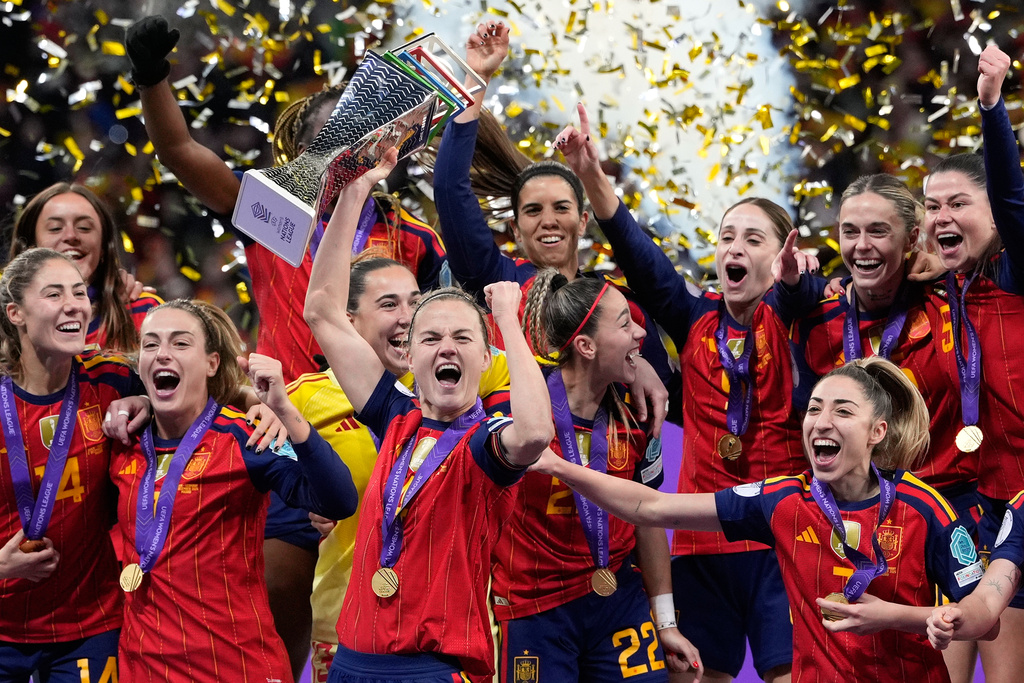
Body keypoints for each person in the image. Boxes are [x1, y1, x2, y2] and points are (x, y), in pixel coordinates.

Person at [123, 16, 448, 672]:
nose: (352, 144)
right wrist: (152, 75)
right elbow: (183, 152)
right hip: (289, 437)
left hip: (390, 443)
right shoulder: (278, 214)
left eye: (364, 129)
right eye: (336, 133)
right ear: (306, 150)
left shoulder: (418, 237)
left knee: (390, 621)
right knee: (276, 620)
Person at [532, 356, 983, 683]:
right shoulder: (782, 500)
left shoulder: (926, 509)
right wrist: (559, 467)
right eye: (814, 409)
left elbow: (985, 620)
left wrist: (897, 616)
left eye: (843, 411)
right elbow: (650, 507)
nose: (822, 422)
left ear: (876, 432)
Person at [555, 103, 807, 682]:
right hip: (700, 544)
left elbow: (809, 297)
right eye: (726, 237)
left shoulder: (797, 314)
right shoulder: (694, 317)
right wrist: (590, 171)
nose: (734, 249)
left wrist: (803, 280)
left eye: (753, 238)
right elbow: (638, 257)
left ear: (782, 253)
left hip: (783, 539)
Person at [305, 147, 554, 682]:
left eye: (463, 338)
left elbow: (535, 431)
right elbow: (322, 310)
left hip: (434, 668)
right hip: (351, 663)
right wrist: (353, 191)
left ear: (486, 359)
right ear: (410, 357)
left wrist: (508, 320)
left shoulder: (486, 445)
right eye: (431, 338)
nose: (446, 348)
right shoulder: (391, 416)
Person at [431, 22, 677, 425]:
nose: (549, 221)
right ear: (515, 230)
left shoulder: (620, 308)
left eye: (561, 208)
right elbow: (450, 189)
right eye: (532, 211)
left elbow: (657, 414)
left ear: (583, 221)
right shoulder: (497, 283)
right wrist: (477, 77)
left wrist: (639, 364)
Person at [285, 253, 513, 682]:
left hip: (440, 634)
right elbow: (246, 438)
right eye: (389, 305)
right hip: (343, 625)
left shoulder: (453, 383)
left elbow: (537, 386)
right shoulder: (306, 397)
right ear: (350, 320)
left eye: (414, 302)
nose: (408, 317)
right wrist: (310, 495)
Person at [108, 299, 359, 682]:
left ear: (211, 363)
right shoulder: (123, 442)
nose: (162, 354)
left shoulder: (245, 438)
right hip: (144, 664)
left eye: (179, 343)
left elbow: (338, 500)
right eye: (151, 344)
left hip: (234, 664)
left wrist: (284, 410)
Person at [491, 267, 702, 682]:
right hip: (535, 608)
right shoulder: (513, 407)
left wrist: (665, 622)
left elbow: (649, 519)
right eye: (626, 324)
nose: (642, 334)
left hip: (618, 602)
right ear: (585, 346)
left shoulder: (638, 413)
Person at [919, 44, 1024, 683]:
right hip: (965, 501)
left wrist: (990, 108)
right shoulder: (937, 290)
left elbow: (1014, 199)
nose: (942, 217)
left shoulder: (1016, 273)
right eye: (932, 206)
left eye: (958, 202)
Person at [0, 248, 143, 683]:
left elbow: (206, 393)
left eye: (80, 292)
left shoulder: (114, 379)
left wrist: (148, 403)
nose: (73, 304)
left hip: (92, 626)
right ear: (16, 313)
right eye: (53, 293)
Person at [10, 182, 163, 352]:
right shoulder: (6, 326)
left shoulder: (145, 314)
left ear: (104, 246)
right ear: (29, 247)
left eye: (84, 228)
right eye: (55, 228)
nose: (71, 236)